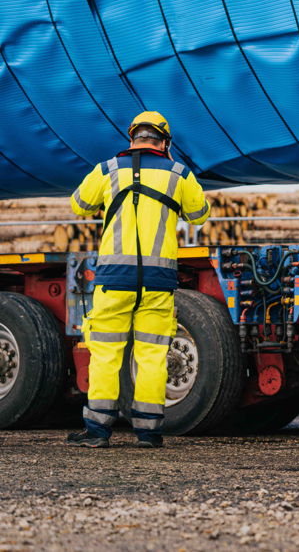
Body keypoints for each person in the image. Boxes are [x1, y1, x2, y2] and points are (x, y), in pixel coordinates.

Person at [67, 112, 211, 448]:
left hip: (114, 279)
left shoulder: (107, 170)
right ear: (165, 143)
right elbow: (200, 214)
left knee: (105, 353)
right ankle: (148, 432)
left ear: (132, 138)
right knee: (151, 354)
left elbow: (79, 205)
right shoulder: (178, 173)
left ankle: (98, 431)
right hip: (158, 283)